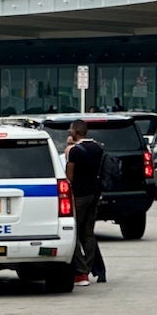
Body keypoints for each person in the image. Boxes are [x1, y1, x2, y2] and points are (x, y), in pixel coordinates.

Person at [64, 120, 105, 286]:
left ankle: (80, 272)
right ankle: (88, 267)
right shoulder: (98, 148)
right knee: (88, 233)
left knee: (73, 232)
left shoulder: (74, 151)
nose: (69, 132)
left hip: (79, 196)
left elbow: (70, 176)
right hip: (94, 194)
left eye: (70, 130)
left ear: (75, 132)